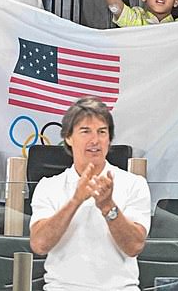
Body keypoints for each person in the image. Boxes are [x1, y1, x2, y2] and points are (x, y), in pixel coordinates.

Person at [30, 97, 150, 290]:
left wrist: (108, 206)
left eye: (102, 132)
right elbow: (40, 244)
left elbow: (134, 246)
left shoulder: (134, 184)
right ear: (68, 137)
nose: (95, 140)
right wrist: (76, 200)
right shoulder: (48, 186)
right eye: (85, 131)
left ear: (109, 139)